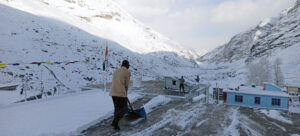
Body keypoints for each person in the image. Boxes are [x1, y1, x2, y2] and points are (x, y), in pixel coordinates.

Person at [109, 60, 131, 130]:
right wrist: (125, 94)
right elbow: (126, 85)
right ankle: (115, 122)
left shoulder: (116, 71)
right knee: (125, 109)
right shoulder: (127, 72)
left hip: (113, 92)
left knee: (117, 108)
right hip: (120, 93)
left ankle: (114, 124)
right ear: (127, 66)